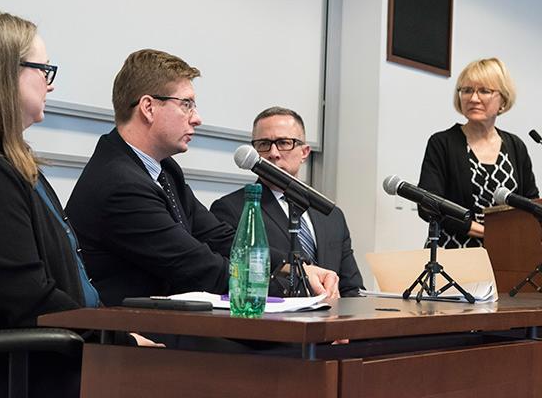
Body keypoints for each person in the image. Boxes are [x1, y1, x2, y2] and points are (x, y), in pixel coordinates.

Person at [0, 11, 138, 398]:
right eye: (43, 69)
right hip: (28, 376)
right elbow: (29, 302)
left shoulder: (11, 166)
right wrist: (121, 341)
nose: (49, 84)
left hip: (59, 363)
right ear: (2, 74)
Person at [65, 49, 340, 307]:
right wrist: (292, 283)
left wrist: (296, 267)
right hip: (127, 339)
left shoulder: (165, 171)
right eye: (186, 104)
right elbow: (196, 265)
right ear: (148, 108)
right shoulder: (120, 183)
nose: (197, 118)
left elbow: (218, 237)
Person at [210, 107, 363, 297]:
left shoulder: (332, 215)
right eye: (264, 144)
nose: (273, 153)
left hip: (331, 321)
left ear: (305, 152)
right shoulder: (233, 208)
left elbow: (351, 287)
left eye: (284, 143)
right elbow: (235, 279)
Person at [418, 57, 538, 248]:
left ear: (503, 100)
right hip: (454, 253)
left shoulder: (516, 146)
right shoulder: (442, 143)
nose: (473, 98)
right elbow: (428, 205)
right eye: (467, 90)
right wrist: (487, 233)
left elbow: (531, 204)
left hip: (507, 253)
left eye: (484, 91)